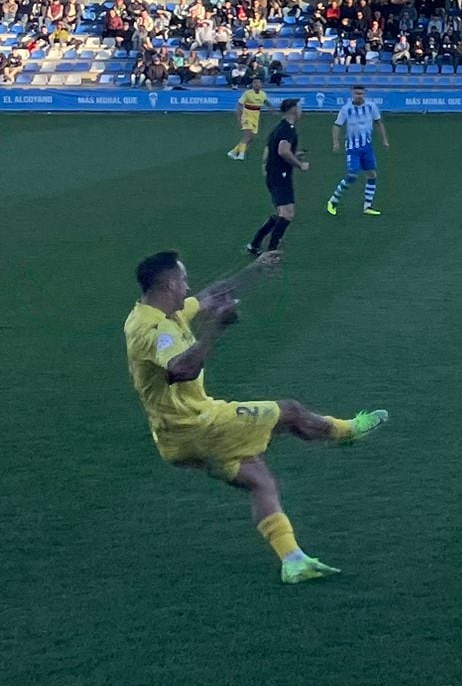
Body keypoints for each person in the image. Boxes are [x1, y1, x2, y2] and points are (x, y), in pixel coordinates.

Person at [124, 248, 388, 583]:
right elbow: (183, 369)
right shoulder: (151, 331)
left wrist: (255, 269)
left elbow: (210, 295)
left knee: (260, 481)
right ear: (169, 285)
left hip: (180, 434)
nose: (189, 287)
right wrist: (215, 329)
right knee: (290, 412)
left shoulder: (163, 313)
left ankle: (293, 561)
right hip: (197, 427)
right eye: (184, 280)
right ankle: (347, 432)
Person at [247, 98, 310, 256]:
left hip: (274, 174)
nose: (301, 111)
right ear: (293, 110)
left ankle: (255, 245)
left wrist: (294, 155)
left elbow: (270, 151)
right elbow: (283, 151)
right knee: (287, 214)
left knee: (282, 213)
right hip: (280, 175)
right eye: (299, 107)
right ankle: (272, 250)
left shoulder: (278, 128)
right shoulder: (288, 129)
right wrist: (299, 164)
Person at [326, 84, 390, 218]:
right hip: (352, 148)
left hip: (367, 147)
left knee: (372, 175)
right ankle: (333, 201)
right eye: (357, 93)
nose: (359, 96)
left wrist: (384, 139)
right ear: (352, 94)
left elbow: (379, 122)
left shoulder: (371, 106)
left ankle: (367, 206)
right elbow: (337, 126)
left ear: (365, 94)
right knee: (352, 175)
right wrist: (336, 142)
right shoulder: (346, 109)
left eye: (361, 93)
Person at [227, 76, 269, 161]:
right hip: (247, 116)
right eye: (255, 83)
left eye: (258, 82)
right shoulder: (247, 93)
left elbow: (265, 102)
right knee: (247, 136)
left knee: (251, 138)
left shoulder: (263, 94)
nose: (257, 84)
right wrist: (239, 118)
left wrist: (274, 109)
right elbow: (239, 105)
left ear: (261, 84)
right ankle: (241, 155)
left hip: (255, 118)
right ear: (252, 84)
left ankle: (233, 152)